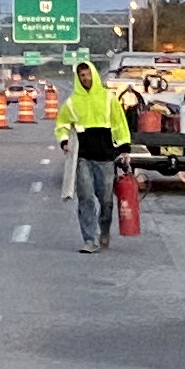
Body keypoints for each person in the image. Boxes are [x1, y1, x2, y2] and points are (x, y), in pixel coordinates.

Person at [61, 56, 128, 252]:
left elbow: (119, 124)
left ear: (94, 74)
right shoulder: (72, 102)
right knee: (86, 198)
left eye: (88, 74)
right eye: (82, 75)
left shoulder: (108, 98)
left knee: (106, 200)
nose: (85, 78)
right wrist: (64, 141)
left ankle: (104, 231)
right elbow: (62, 124)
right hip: (84, 157)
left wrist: (124, 149)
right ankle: (89, 239)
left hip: (106, 157)